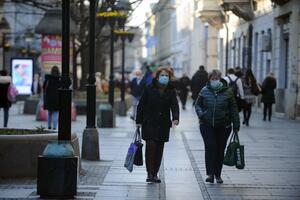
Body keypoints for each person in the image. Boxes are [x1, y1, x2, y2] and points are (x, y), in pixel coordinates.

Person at [195, 69, 240, 184]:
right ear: (209, 80)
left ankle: (218, 174)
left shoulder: (228, 92)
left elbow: (234, 108)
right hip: (206, 124)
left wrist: (236, 124)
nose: (215, 81)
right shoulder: (204, 90)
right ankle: (210, 174)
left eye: (217, 79)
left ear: (220, 79)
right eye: (212, 79)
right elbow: (197, 104)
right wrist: (201, 115)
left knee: (220, 149)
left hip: (223, 126)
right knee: (210, 147)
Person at [136, 67, 179, 183]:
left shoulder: (171, 90)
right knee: (150, 147)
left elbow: (174, 105)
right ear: (158, 76)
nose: (164, 77)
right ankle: (149, 173)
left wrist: (175, 118)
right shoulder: (149, 88)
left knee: (159, 149)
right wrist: (138, 121)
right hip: (149, 122)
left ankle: (155, 174)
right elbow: (141, 105)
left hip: (163, 124)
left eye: (167, 76)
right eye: (162, 75)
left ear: (169, 78)